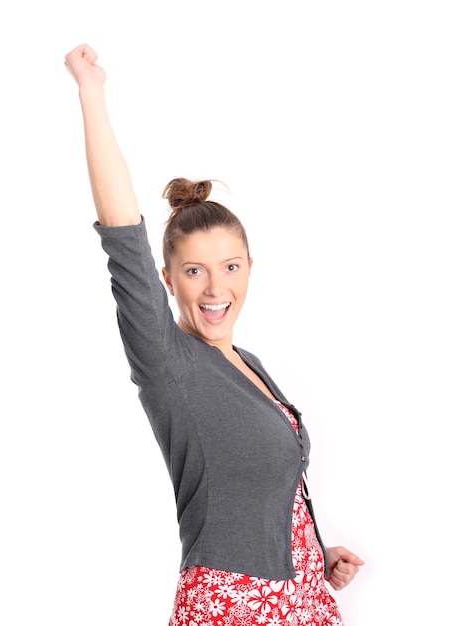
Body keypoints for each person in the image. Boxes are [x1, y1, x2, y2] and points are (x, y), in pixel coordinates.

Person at [65, 43, 364, 626]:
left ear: (250, 267)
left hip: (297, 596)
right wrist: (91, 92)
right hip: (232, 605)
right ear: (167, 280)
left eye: (230, 267)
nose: (213, 289)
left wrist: (311, 556)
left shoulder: (249, 363)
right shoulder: (168, 360)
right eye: (193, 271)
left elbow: (251, 488)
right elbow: (123, 233)